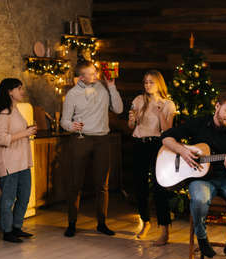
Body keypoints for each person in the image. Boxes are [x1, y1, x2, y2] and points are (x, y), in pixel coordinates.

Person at [161, 85, 226, 259]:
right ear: (217, 106)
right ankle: (202, 238)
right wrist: (183, 151)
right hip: (200, 179)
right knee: (199, 199)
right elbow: (166, 138)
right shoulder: (199, 123)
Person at [61, 60, 123, 237]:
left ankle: (101, 223)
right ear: (81, 77)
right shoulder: (72, 94)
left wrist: (111, 87)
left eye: (96, 72)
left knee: (102, 184)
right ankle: (72, 223)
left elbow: (118, 109)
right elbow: (64, 121)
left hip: (103, 140)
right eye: (92, 73)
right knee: (75, 183)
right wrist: (71, 126)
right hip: (81, 140)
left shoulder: (104, 87)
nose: (96, 75)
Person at [128, 70, 176, 245]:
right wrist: (132, 119)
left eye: (151, 82)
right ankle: (145, 222)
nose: (148, 85)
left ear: (159, 84)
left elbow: (168, 130)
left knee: (159, 187)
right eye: (146, 82)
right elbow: (131, 125)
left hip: (157, 145)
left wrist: (160, 112)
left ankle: (164, 230)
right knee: (139, 185)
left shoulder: (167, 104)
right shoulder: (138, 100)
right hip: (139, 143)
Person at [0, 78, 37, 243]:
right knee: (8, 199)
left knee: (24, 196)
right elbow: (0, 138)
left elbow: (16, 133)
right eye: (19, 88)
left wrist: (27, 130)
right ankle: (7, 231)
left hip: (22, 162)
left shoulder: (16, 110)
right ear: (10, 91)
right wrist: (25, 133)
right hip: (9, 164)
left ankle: (16, 227)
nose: (22, 91)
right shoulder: (4, 112)